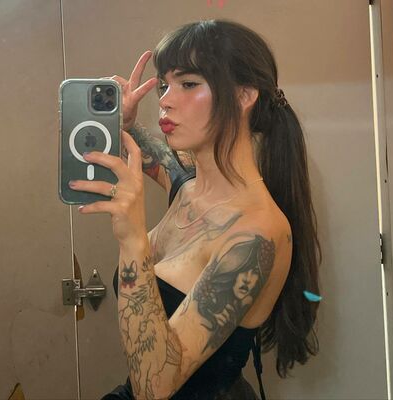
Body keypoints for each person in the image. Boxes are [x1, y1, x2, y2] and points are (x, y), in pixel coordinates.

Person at [69, 18, 321, 400]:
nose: (166, 99)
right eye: (164, 85)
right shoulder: (188, 186)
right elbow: (161, 160)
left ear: (243, 96)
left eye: (188, 84)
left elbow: (154, 388)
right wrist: (125, 124)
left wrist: (134, 240)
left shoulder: (257, 234)